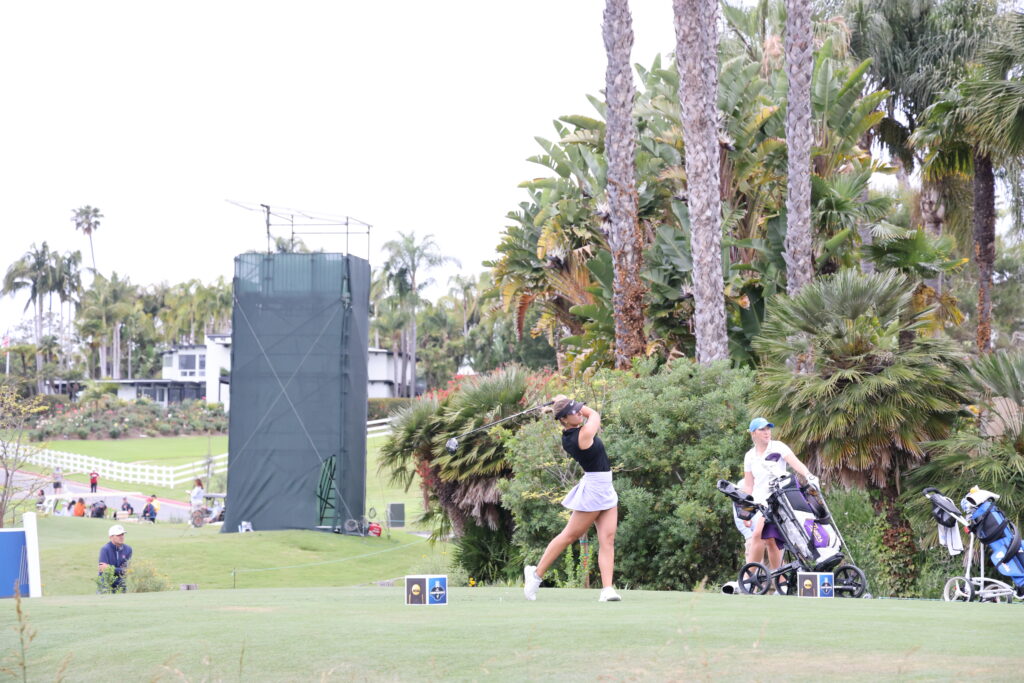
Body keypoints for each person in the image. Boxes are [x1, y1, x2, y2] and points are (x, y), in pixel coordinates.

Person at [523, 395, 621, 602]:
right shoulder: (581, 436)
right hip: (594, 490)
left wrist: (568, 403)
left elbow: (581, 413)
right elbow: (594, 414)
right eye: (574, 411)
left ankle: (607, 589)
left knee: (608, 539)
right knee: (569, 535)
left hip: (605, 487)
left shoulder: (571, 432)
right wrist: (567, 399)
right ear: (564, 419)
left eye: (578, 409)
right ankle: (535, 575)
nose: (579, 412)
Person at [742, 417, 819, 574]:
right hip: (759, 503)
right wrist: (745, 511)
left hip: (779, 499)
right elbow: (749, 485)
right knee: (770, 540)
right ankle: (777, 581)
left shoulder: (778, 447)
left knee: (758, 534)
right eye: (762, 429)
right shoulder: (749, 456)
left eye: (768, 429)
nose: (767, 432)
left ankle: (749, 577)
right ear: (753, 433)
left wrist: (809, 475)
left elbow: (795, 463)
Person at [97, 524, 132, 593]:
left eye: (122, 534)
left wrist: (110, 568)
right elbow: (103, 569)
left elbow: (126, 571)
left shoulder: (128, 549)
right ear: (111, 537)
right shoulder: (105, 549)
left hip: (121, 584)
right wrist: (118, 570)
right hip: (106, 584)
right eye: (118, 535)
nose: (121, 537)